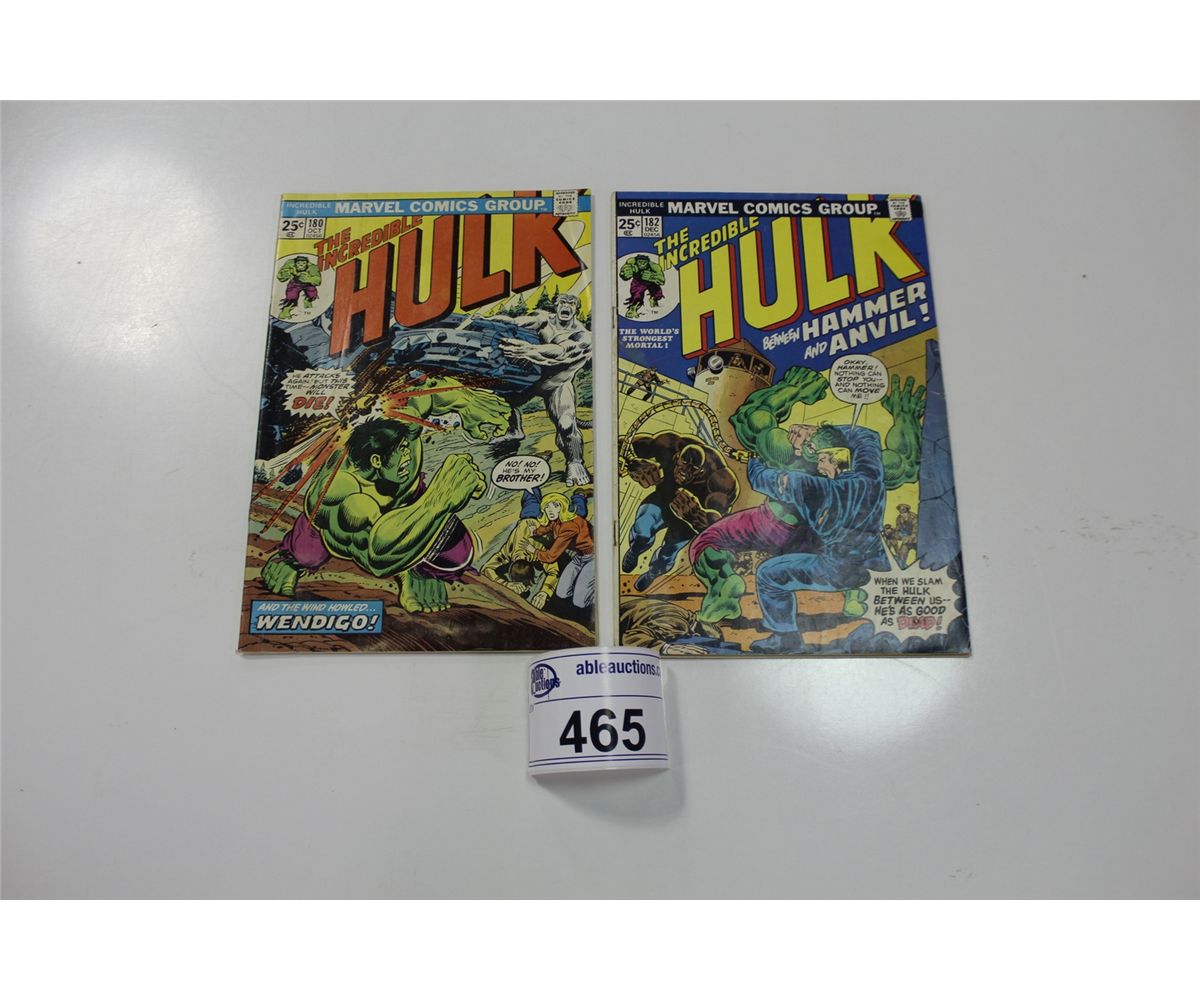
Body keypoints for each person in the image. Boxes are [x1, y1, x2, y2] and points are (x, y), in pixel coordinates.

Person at [260, 377, 510, 613]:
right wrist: (440, 499)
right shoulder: (343, 492)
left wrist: (468, 404)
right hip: (349, 528)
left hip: (406, 501)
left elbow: (431, 392)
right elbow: (377, 558)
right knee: (308, 554)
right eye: (401, 451)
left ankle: (419, 570)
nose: (409, 456)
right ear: (376, 460)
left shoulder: (404, 419)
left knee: (457, 553)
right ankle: (290, 559)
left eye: (408, 444)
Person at [745, 429, 889, 653]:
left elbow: (760, 479)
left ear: (837, 459)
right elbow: (866, 435)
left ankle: (785, 639)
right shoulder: (871, 479)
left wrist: (754, 459)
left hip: (836, 571)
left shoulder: (812, 487)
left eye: (822, 459)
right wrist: (816, 432)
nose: (819, 466)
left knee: (767, 574)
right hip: (875, 568)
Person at [495, 294, 592, 485]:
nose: (566, 306)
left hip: (558, 384)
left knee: (566, 425)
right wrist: (487, 320)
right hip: (531, 379)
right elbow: (516, 322)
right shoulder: (544, 319)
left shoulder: (583, 336)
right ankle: (515, 430)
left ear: (576, 309)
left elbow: (563, 352)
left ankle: (575, 463)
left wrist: (530, 350)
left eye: (571, 304)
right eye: (562, 303)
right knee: (501, 401)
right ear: (556, 306)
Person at [620, 433, 737, 591]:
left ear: (702, 472)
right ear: (677, 457)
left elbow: (718, 526)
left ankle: (652, 574)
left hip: (686, 521)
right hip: (663, 499)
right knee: (642, 530)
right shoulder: (668, 445)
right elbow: (622, 447)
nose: (684, 472)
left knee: (667, 555)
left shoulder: (720, 481)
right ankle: (635, 551)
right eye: (683, 464)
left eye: (692, 470)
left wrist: (696, 516)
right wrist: (632, 464)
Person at [527, 491, 594, 616]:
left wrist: (534, 551)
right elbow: (549, 527)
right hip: (580, 557)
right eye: (547, 507)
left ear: (562, 507)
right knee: (562, 592)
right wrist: (535, 532)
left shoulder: (569, 527)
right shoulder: (557, 520)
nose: (550, 510)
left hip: (594, 558)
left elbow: (550, 556)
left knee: (580, 602)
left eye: (555, 505)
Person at [276, 255, 322, 320]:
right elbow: (280, 275)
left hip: (308, 284)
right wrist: (284, 274)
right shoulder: (290, 263)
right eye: (299, 263)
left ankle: (308, 301)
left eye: (303, 263)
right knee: (291, 297)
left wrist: (309, 279)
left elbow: (318, 281)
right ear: (295, 263)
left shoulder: (312, 267)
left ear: (307, 264)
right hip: (294, 283)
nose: (301, 265)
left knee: (312, 294)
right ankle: (285, 311)